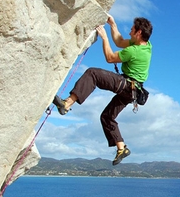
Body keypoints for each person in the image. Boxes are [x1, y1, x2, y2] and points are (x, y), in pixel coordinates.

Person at [52, 15, 153, 165]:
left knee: (93, 73)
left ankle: (67, 104)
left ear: (138, 33)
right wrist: (113, 25)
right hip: (133, 91)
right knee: (107, 117)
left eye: (132, 29)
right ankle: (122, 148)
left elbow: (110, 57)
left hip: (126, 85)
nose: (130, 31)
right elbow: (119, 41)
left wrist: (104, 37)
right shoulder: (146, 45)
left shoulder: (134, 51)